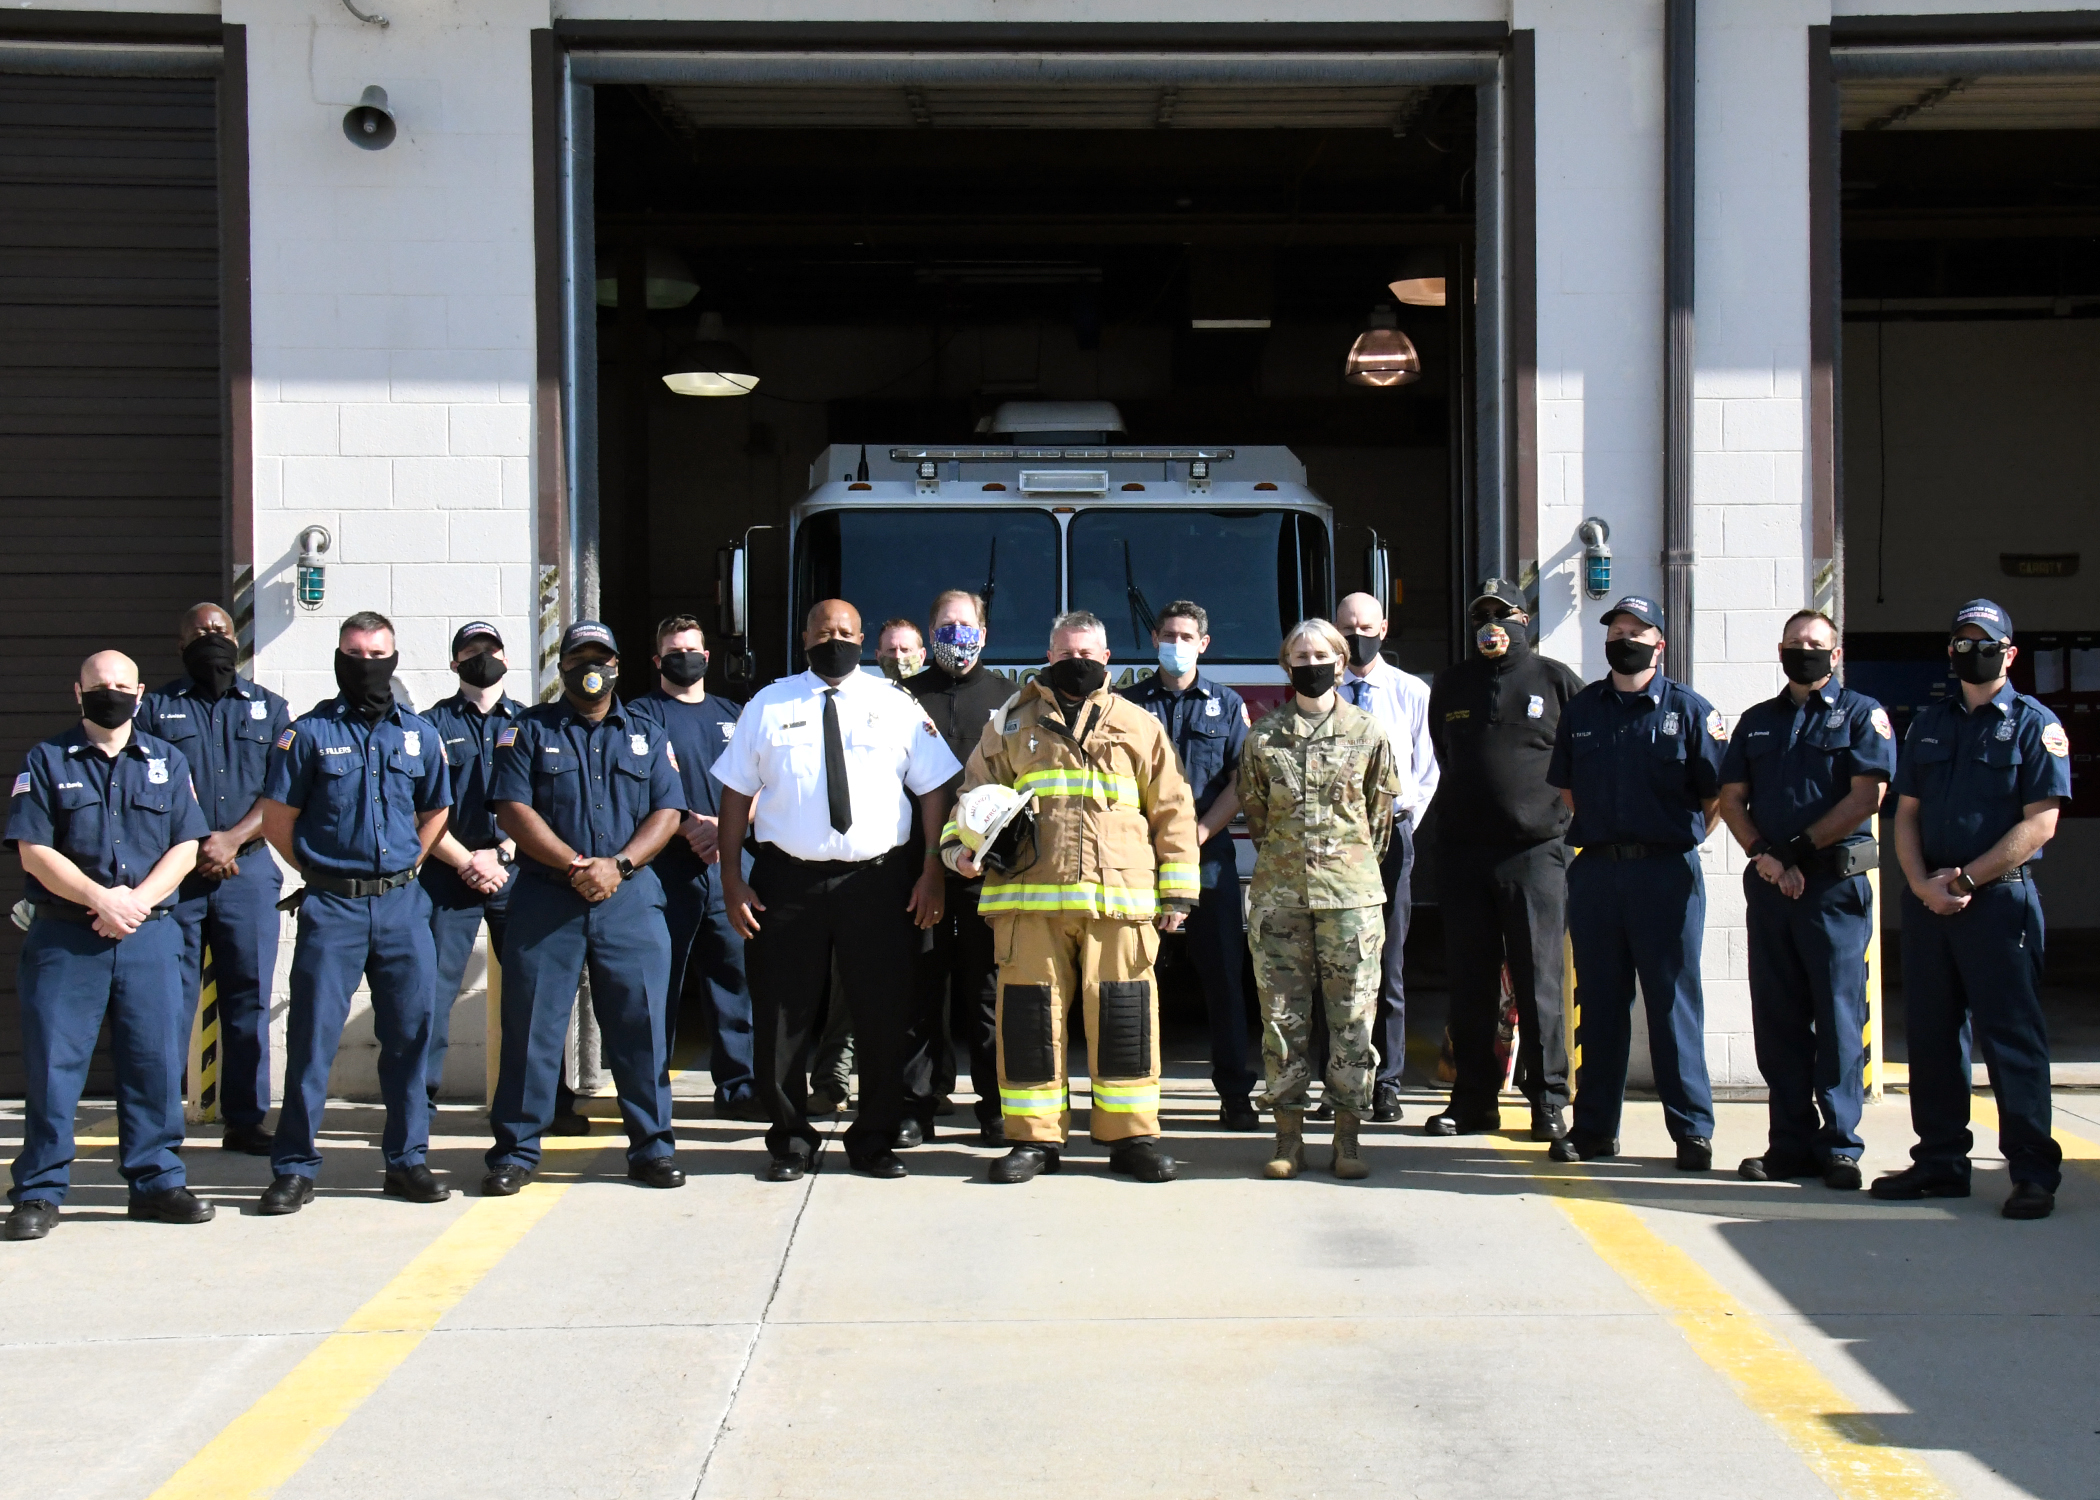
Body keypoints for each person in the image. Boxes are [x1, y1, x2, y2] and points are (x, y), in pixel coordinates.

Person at [942, 609, 1200, 1185]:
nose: (1075, 663)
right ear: (1048, 656)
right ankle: (1033, 1141)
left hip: (1121, 902)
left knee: (1126, 1021)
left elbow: (1173, 810)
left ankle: (1131, 1136)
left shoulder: (1140, 725)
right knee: (1030, 1024)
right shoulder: (1009, 724)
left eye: (1086, 654)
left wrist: (1178, 893)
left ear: (1106, 659)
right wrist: (959, 851)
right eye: (1063, 655)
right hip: (1030, 903)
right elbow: (972, 799)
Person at [716, 600, 959, 1183]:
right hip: (786, 881)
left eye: (847, 632)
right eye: (825, 631)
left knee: (882, 1015)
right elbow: (733, 794)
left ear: (864, 640)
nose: (835, 640)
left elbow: (932, 792)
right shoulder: (768, 705)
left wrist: (931, 870)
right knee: (782, 1016)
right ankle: (790, 1141)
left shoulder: (896, 705)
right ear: (805, 637)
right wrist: (730, 878)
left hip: (878, 881)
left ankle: (873, 1138)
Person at [3, 652, 213, 1241]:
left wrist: (135, 902)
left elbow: (187, 846)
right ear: (78, 692)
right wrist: (103, 900)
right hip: (67, 937)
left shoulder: (168, 761)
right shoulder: (46, 761)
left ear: (141, 692)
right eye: (100, 686)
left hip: (149, 934)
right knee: (53, 1067)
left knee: (154, 1061)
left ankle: (156, 1182)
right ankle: (40, 1193)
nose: (111, 694)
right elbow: (33, 851)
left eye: (122, 685)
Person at [1871, 599, 2069, 1220]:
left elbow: (2041, 823)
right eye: (1961, 641)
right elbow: (1905, 813)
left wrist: (1967, 878)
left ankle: (2032, 1173)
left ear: (2010, 654)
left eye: (1984, 642)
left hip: (1998, 901)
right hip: (1929, 901)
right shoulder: (1929, 723)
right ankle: (1940, 1162)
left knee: (2011, 1039)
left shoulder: (2037, 725)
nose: (1970, 651)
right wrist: (1922, 885)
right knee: (1932, 1038)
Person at [256, 611, 453, 1214]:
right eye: (354, 653)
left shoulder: (418, 735)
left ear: (393, 661)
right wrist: (320, 873)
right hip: (332, 908)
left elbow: (436, 810)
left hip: (402, 906)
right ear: (339, 657)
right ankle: (293, 1167)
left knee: (410, 1039)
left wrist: (410, 865)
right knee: (312, 1040)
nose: (366, 664)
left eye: (377, 654)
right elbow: (277, 820)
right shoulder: (306, 734)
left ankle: (407, 1161)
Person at [483, 620, 688, 1196]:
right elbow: (512, 810)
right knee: (531, 1029)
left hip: (630, 899)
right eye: (578, 658)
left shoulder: (647, 732)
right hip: (548, 898)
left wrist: (617, 865)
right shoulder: (527, 731)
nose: (588, 668)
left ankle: (651, 1148)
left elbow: (667, 814)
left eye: (600, 657)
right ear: (562, 667)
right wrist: (577, 864)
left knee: (640, 1026)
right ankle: (516, 1151)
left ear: (618, 666)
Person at [1718, 610, 1894, 1191]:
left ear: (1836, 653)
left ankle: (1840, 1145)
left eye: (1816, 644)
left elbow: (1867, 796)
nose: (1805, 651)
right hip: (1772, 887)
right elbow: (1732, 797)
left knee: (1840, 1019)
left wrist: (1794, 849)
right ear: (1780, 650)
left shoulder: (1863, 715)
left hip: (1832, 889)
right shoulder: (1758, 722)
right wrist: (1765, 854)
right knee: (1779, 1021)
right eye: (1795, 643)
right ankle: (1788, 1143)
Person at [1547, 595, 1725, 1169]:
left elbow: (1714, 796)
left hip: (1665, 872)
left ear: (1659, 643)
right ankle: (1595, 1128)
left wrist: (1678, 837)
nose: (1625, 639)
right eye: (1616, 630)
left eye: (1636, 631)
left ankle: (1692, 1131)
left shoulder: (1691, 710)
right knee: (1598, 1005)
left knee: (1673, 1004)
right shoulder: (1582, 711)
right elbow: (1568, 788)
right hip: (1598, 869)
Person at [1239, 620, 1401, 1181]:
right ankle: (1288, 1139)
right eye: (1299, 655)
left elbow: (1379, 820)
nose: (1310, 663)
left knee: (1353, 1020)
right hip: (1280, 899)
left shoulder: (1369, 732)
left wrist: (1342, 867)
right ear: (1287, 667)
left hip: (1351, 899)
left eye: (1321, 654)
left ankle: (1347, 1137)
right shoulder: (1264, 736)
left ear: (1341, 660)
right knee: (1282, 1020)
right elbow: (1258, 817)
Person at [1422, 579, 1583, 1143]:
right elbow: (1443, 755)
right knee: (1470, 985)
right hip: (1465, 855)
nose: (1491, 624)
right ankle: (1472, 1101)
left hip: (1535, 856)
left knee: (1540, 982)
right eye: (1480, 615)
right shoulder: (1452, 683)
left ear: (1524, 619)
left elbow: (1581, 763)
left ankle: (1548, 1101)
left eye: (1502, 613)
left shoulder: (1557, 680)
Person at [136, 604, 291, 1156]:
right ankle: (160, 1127)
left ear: (237, 639)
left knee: (247, 1000)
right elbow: (153, 786)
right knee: (167, 1004)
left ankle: (245, 1120)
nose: (211, 638)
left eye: (220, 630)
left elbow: (282, 790)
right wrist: (202, 840)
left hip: (247, 871)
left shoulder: (271, 710)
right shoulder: (154, 710)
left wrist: (232, 840)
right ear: (181, 645)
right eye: (199, 631)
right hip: (176, 874)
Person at [1117, 599, 1258, 1132]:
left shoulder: (1226, 704)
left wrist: (1198, 834)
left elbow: (1242, 782)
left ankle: (1234, 1095)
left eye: (1186, 636)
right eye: (1167, 634)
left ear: (1203, 644)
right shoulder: (1126, 704)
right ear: (1154, 639)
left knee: (1223, 975)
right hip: (1138, 860)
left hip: (1209, 859)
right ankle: (1134, 1094)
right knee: (1133, 979)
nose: (1176, 644)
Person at [621, 615, 762, 1120]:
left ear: (708, 656)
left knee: (735, 981)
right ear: (658, 661)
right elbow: (635, 789)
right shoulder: (638, 715)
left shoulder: (736, 714)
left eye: (694, 650)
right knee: (658, 983)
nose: (687, 658)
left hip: (730, 865)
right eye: (675, 651)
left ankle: (738, 1087)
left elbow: (760, 783)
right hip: (665, 869)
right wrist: (686, 826)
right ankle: (648, 1092)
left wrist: (724, 830)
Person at [417, 623, 547, 1117]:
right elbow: (418, 808)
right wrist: (468, 859)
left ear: (506, 658)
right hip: (447, 870)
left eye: (490, 650)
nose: (482, 658)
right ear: (454, 664)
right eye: (471, 652)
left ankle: (537, 1101)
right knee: (430, 993)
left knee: (532, 992)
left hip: (517, 873)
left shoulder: (532, 724)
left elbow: (543, 802)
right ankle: (417, 1103)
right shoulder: (429, 725)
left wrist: (505, 853)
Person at [899, 589, 1012, 1146]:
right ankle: (917, 1106)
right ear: (931, 630)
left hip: (985, 876)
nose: (957, 636)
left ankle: (995, 1107)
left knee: (988, 996)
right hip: (921, 873)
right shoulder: (903, 698)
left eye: (966, 626)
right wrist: (931, 867)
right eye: (946, 626)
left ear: (984, 635)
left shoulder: (1010, 700)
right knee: (921, 992)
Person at [1329, 590, 1439, 1121]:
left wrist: (1402, 824)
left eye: (1366, 626)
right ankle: (1337, 1079)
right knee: (1332, 962)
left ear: (1384, 629)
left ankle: (1387, 1082)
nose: (1357, 636)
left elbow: (1428, 768)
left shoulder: (1411, 691)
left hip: (1393, 837)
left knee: (1387, 962)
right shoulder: (1319, 691)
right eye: (1348, 626)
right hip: (1333, 843)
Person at [876, 618, 925, 684]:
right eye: (891, 650)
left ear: (921, 656)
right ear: (878, 657)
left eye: (905, 650)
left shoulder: (934, 693)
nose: (897, 656)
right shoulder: (868, 694)